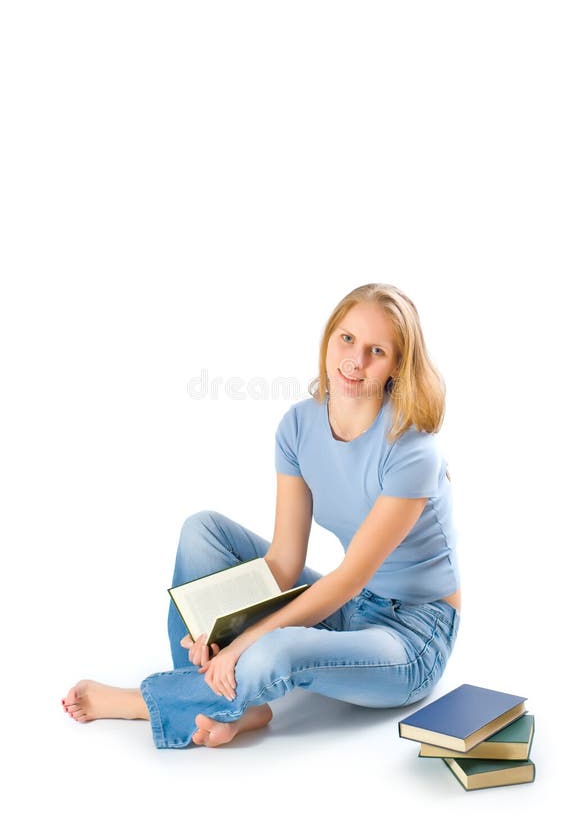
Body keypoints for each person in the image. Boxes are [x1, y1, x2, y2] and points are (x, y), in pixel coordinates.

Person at [62, 282, 461, 749]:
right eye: (347, 339)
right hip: (350, 607)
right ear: (329, 338)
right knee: (202, 531)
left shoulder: (413, 451)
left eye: (377, 350)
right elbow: (283, 563)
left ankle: (147, 702)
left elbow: (350, 577)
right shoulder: (298, 425)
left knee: (278, 646)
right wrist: (221, 626)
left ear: (397, 365)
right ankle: (230, 702)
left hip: (413, 635)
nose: (356, 360)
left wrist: (246, 640)